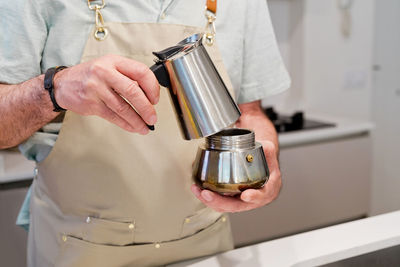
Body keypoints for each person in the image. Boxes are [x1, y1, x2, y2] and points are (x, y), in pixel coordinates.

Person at [0, 0, 290, 266]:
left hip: (204, 245)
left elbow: (250, 112)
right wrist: (56, 88)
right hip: (78, 249)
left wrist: (265, 163)